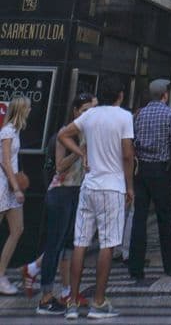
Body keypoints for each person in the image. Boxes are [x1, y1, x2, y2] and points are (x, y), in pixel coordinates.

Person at [61, 74, 135, 320]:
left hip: (88, 186)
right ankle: (99, 301)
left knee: (80, 242)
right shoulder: (124, 117)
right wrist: (130, 186)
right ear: (120, 96)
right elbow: (127, 155)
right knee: (108, 243)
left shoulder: (89, 115)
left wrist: (82, 153)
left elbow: (63, 134)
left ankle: (72, 301)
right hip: (112, 186)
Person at [33, 92, 96, 313]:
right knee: (54, 246)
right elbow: (59, 166)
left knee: (69, 245)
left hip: (76, 193)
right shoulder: (64, 134)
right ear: (76, 112)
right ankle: (45, 297)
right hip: (60, 193)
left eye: (93, 110)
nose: (90, 115)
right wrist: (80, 153)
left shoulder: (88, 134)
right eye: (86, 110)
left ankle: (66, 292)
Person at [128, 78, 171, 280]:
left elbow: (131, 139)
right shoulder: (170, 113)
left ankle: (135, 267)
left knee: (139, 218)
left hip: (141, 170)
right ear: (165, 94)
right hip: (161, 170)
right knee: (165, 218)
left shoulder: (140, 114)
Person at [0, 95, 30, 297]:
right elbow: (5, 162)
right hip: (3, 184)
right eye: (28, 108)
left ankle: (1, 274)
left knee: (17, 229)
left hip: (9, 184)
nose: (30, 111)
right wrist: (16, 186)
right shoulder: (8, 131)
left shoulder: (15, 130)